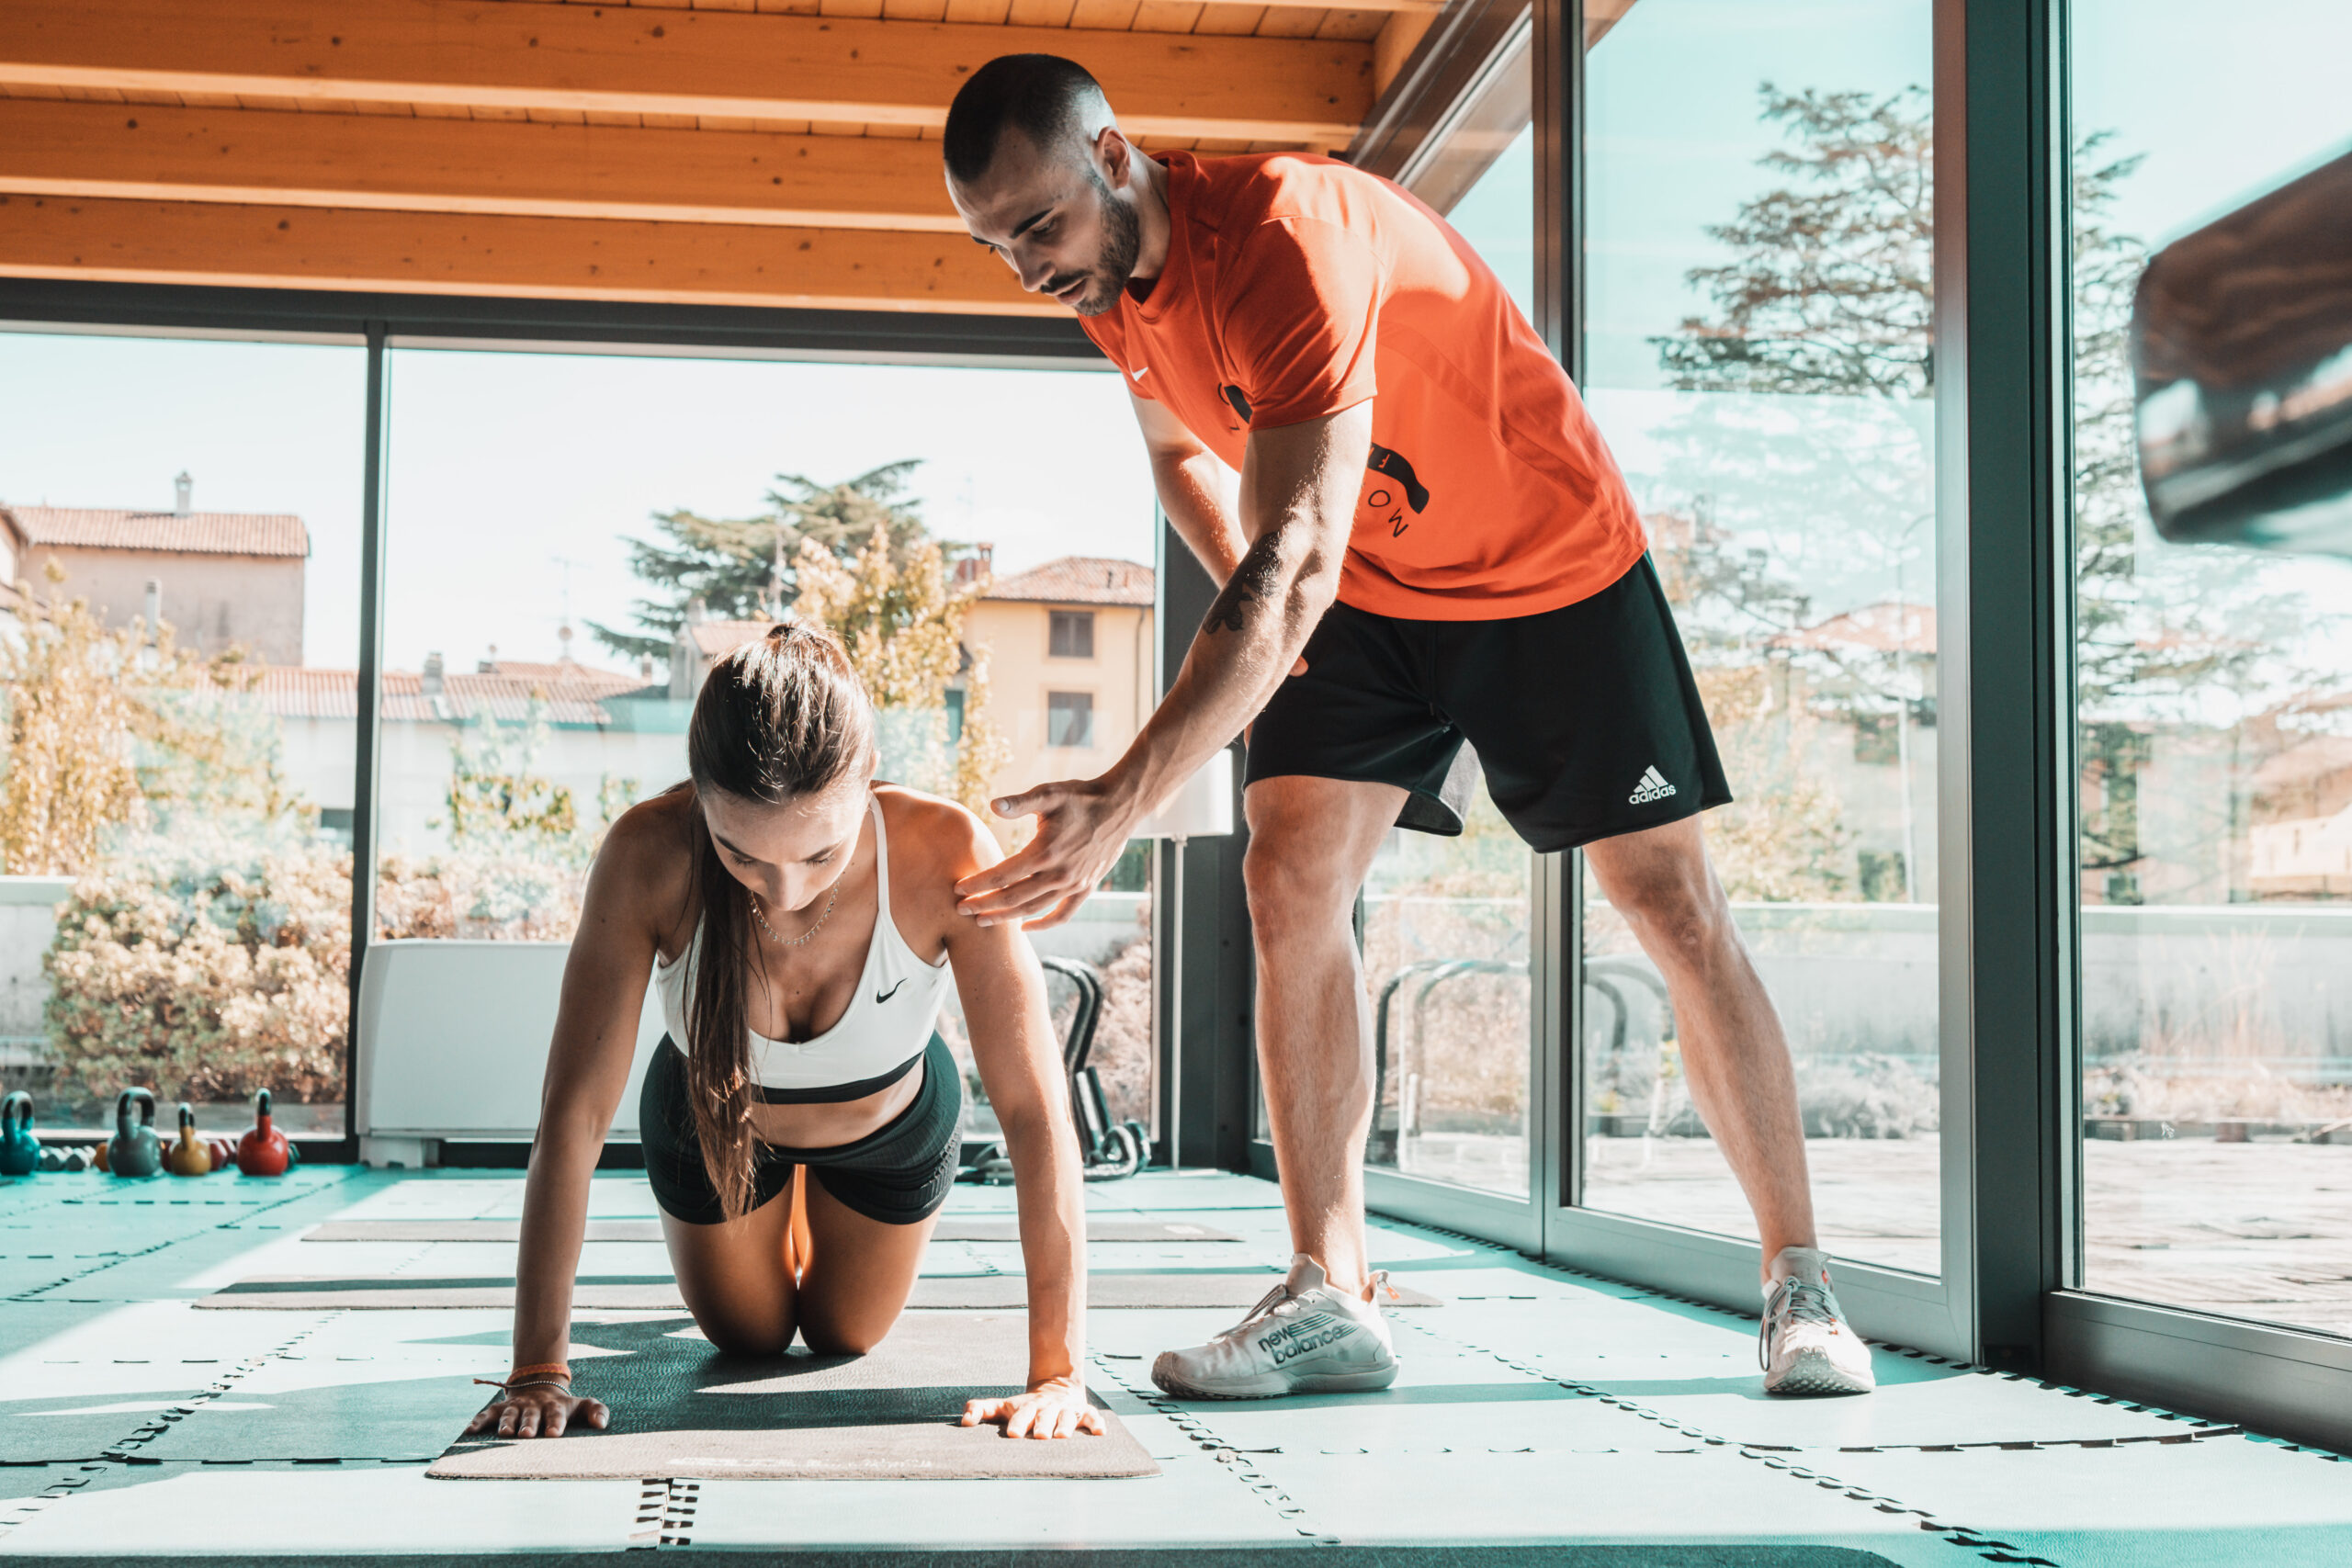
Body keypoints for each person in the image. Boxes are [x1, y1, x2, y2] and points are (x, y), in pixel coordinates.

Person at [941, 54, 1876, 1401]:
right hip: (1364, 587)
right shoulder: (1112, 289)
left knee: (1667, 905)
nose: (1028, 266)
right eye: (995, 244)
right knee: (1288, 867)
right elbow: (1179, 457)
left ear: (1112, 154)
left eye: (1037, 226)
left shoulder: (1280, 232)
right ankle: (1332, 1290)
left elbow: (1301, 541)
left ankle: (1803, 1290)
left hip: (1546, 564)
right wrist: (1282, 627)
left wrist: (1133, 786)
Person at [468, 623, 1103, 1441]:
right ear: (699, 796)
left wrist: (1059, 1373)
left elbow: (1034, 1111)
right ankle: (773, 1214)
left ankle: (811, 1208)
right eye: (741, 854)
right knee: (751, 1338)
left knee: (846, 1334)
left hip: (888, 1128)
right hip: (711, 1124)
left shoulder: (941, 850)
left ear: (868, 778)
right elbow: (574, 1117)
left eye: (818, 854)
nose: (783, 890)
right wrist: (537, 1370)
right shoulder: (645, 853)